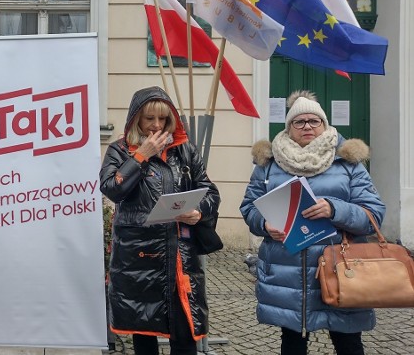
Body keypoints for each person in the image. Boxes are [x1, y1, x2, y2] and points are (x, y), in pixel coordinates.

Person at [240, 90, 385, 355]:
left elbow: (373, 214)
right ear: (290, 126)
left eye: (314, 121)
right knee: (293, 343)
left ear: (324, 125)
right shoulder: (269, 164)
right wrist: (264, 224)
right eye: (299, 121)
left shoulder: (348, 163)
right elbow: (249, 207)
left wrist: (335, 209)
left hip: (341, 269)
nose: (307, 126)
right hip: (289, 271)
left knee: (348, 343)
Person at [99, 86, 220, 355]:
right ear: (136, 119)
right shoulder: (119, 150)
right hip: (138, 257)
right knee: (144, 331)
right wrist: (140, 156)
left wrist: (199, 211)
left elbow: (210, 191)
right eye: (149, 118)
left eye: (162, 119)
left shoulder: (184, 150)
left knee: (186, 330)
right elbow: (111, 188)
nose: (156, 125)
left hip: (179, 255)